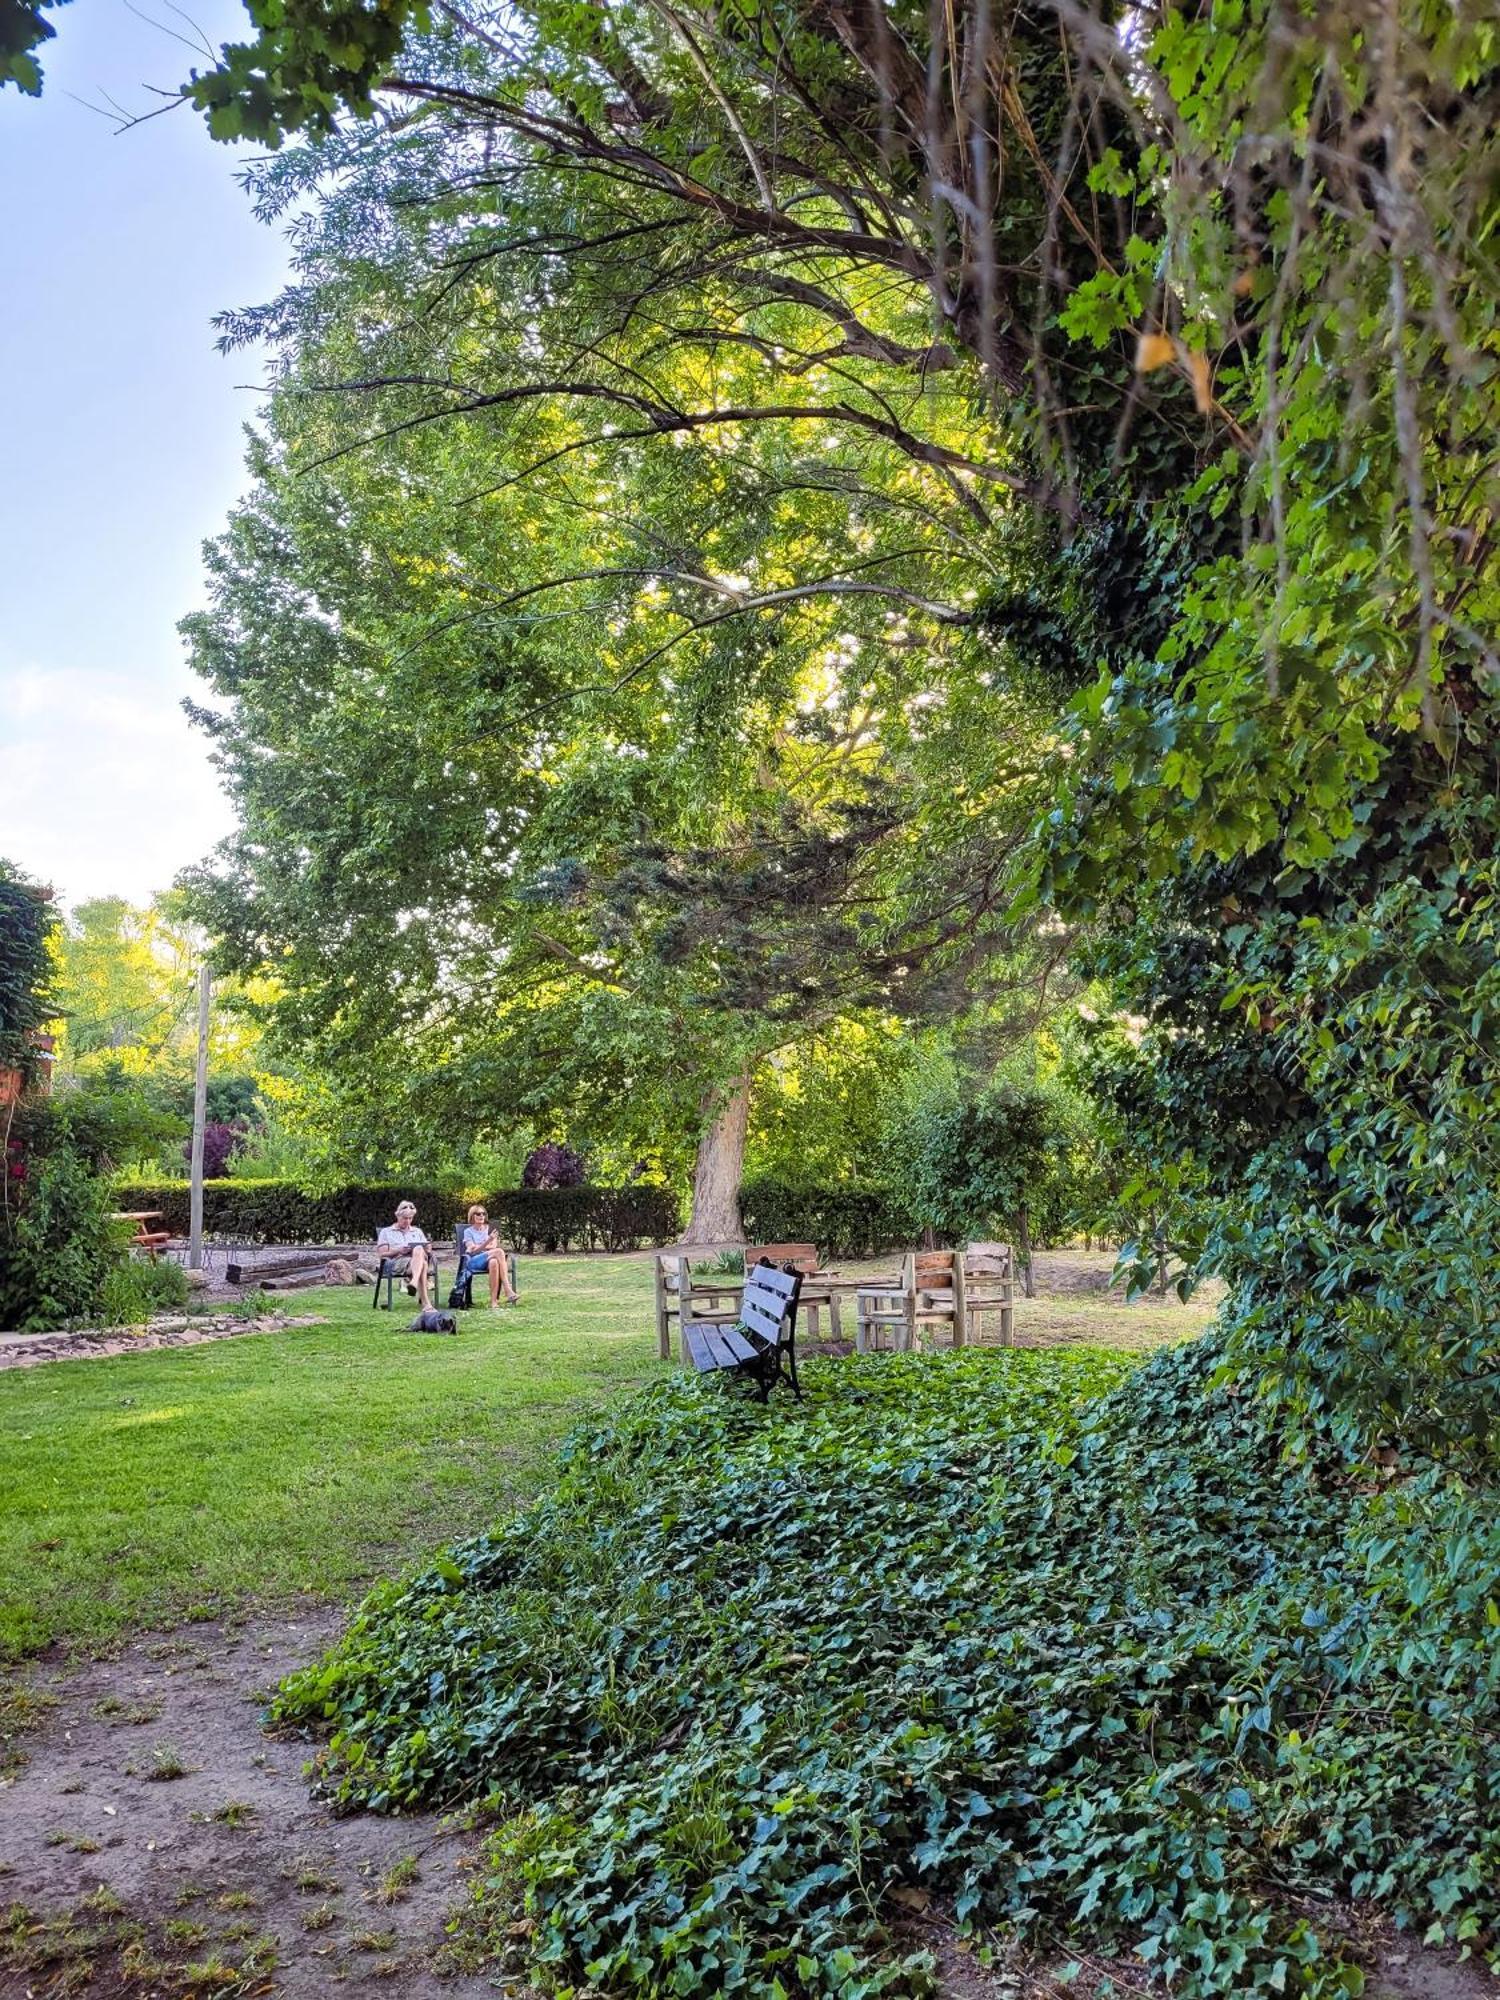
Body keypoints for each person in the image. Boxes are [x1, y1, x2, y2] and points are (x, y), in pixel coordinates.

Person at [375, 1200, 433, 1307]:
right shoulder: (386, 1232)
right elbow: (382, 1254)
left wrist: (428, 1247)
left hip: (414, 1262)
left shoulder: (417, 1231)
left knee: (419, 1249)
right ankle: (426, 1303)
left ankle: (414, 1283)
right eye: (405, 1218)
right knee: (423, 1265)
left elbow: (428, 1251)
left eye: (410, 1218)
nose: (407, 1221)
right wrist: (399, 1250)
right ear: (398, 1216)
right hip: (395, 1262)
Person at [460, 1203, 518, 1309]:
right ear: (472, 1216)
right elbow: (472, 1252)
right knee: (500, 1252)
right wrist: (488, 1241)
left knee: (494, 1262)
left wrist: (480, 1246)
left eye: (483, 1213)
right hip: (474, 1261)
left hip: (489, 1259)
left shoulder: (490, 1229)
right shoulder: (467, 1232)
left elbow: (492, 1246)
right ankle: (507, 1289)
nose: (481, 1216)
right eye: (478, 1214)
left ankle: (493, 1302)